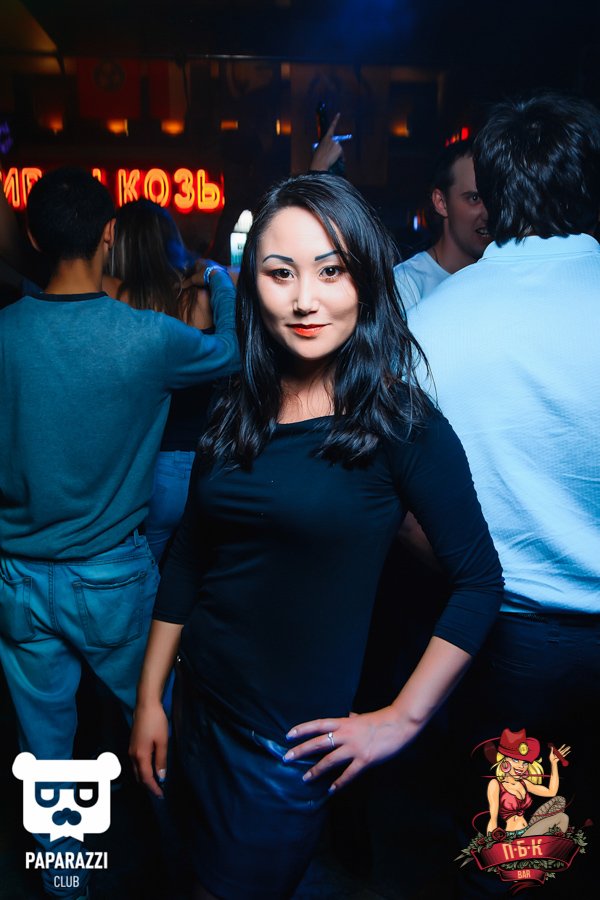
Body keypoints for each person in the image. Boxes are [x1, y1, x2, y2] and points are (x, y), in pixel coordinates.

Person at [129, 172, 504, 900]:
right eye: (281, 273)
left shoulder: (401, 424)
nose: (305, 299)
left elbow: (479, 581)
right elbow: (191, 558)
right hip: (198, 700)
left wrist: (399, 719)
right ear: (252, 285)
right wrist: (151, 698)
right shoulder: (234, 407)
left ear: (365, 279)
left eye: (331, 271)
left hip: (285, 746)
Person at [0, 166, 238, 900]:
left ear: (34, 233)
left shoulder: (4, 333)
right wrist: (220, 280)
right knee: (164, 725)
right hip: (109, 577)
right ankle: (189, 871)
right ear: (108, 234)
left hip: (18, 580)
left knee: (47, 755)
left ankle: (66, 883)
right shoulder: (148, 338)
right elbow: (234, 352)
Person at [406, 90, 600, 896]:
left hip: (507, 639)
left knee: (522, 865)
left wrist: (466, 577)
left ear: (490, 189)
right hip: (511, 636)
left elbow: (398, 506)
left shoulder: (435, 322)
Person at [104, 198, 219, 565]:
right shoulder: (199, 296)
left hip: (147, 467)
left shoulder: (118, 299)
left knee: (141, 579)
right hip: (203, 465)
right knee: (192, 578)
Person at [394, 139, 491, 309]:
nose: (488, 213)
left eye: (494, 198)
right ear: (441, 203)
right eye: (474, 198)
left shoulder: (502, 277)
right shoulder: (406, 285)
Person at [484, 728, 570, 837]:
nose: (521, 766)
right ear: (504, 761)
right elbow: (493, 818)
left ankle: (551, 844)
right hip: (512, 836)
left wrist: (553, 764)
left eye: (525, 763)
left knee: (563, 816)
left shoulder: (524, 783)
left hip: (528, 831)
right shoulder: (495, 784)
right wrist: (491, 842)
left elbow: (551, 792)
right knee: (562, 817)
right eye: (515, 760)